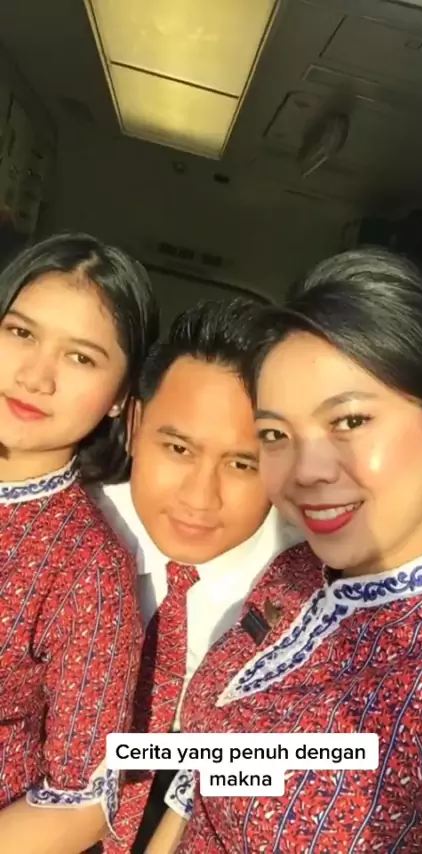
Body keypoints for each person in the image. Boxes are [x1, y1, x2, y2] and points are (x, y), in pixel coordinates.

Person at [152, 248, 422, 853]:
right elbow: (205, 774)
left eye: (349, 421)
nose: (306, 470)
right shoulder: (295, 572)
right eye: (276, 434)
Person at [92, 298, 302, 853]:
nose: (200, 497)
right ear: (134, 425)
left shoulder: (309, 600)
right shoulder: (69, 535)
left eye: (242, 464)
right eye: (179, 448)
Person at [0, 232, 159, 853]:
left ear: (120, 398)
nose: (35, 376)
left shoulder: (85, 568)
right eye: (21, 332)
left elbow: (82, 802)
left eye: (81, 358)